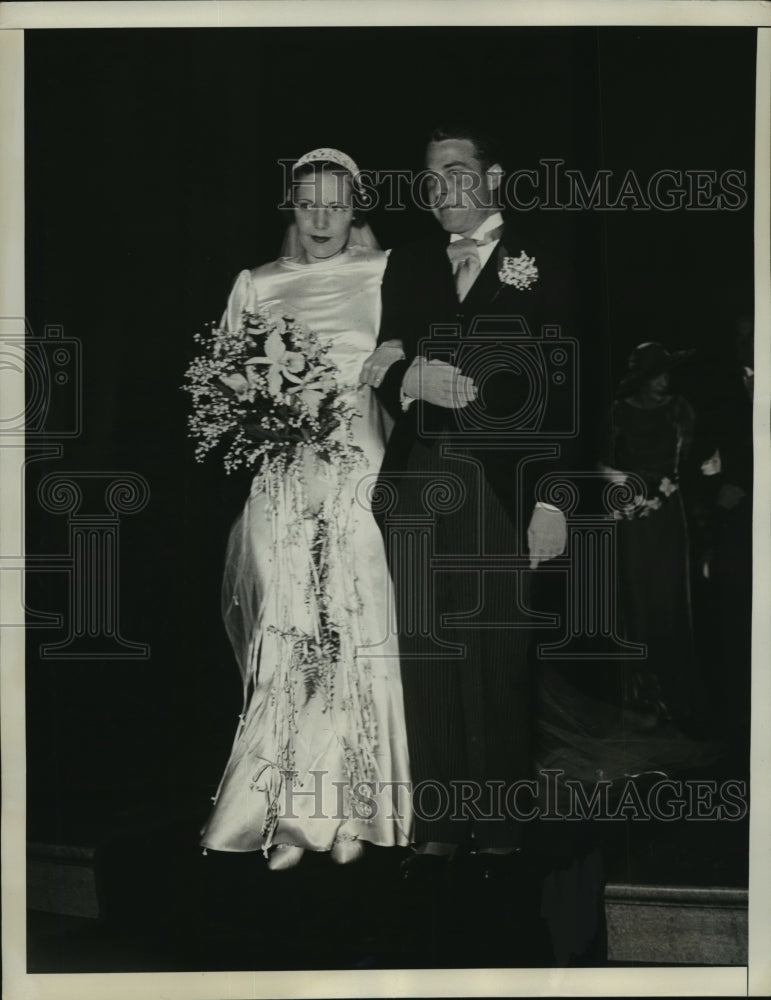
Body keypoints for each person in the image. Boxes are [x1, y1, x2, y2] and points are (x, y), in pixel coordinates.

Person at [362, 124, 575, 876]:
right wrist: (404, 380)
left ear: (493, 177)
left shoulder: (542, 261)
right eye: (428, 177)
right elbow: (384, 356)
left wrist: (552, 501)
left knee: (496, 653)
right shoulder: (410, 261)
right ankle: (441, 821)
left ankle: (502, 827)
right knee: (427, 649)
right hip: (419, 476)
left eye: (455, 171)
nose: (439, 188)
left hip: (500, 486)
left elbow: (566, 387)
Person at [199, 148, 412, 870]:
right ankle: (285, 809)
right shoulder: (256, 284)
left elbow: (405, 359)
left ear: (356, 207)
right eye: (307, 202)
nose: (321, 217)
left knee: (356, 624)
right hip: (283, 469)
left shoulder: (384, 274)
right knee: (289, 627)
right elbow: (224, 380)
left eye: (335, 202)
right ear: (291, 206)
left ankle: (360, 812)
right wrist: (259, 413)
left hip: (357, 460)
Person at [599, 341, 709, 728]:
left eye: (667, 373)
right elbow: (602, 464)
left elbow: (687, 466)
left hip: (667, 517)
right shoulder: (617, 414)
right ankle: (642, 699)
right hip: (632, 518)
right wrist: (622, 493)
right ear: (642, 379)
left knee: (672, 600)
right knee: (637, 599)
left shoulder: (680, 410)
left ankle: (676, 697)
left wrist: (665, 492)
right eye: (657, 374)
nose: (664, 381)